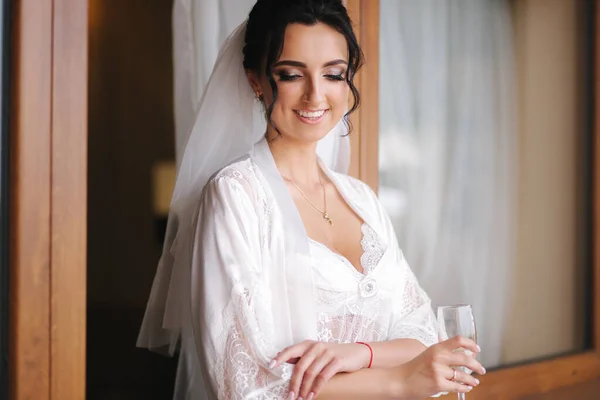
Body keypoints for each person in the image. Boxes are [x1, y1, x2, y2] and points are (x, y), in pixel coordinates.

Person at [138, 1, 486, 399]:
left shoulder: (362, 200)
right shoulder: (237, 196)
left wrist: (361, 354)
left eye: (334, 74)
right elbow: (247, 386)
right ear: (256, 81)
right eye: (291, 74)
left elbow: (424, 333)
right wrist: (400, 379)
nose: (315, 95)